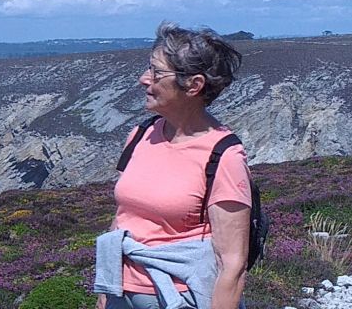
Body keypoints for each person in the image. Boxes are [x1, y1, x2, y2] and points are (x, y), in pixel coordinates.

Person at [93, 22, 250, 309]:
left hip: (178, 298)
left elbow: (233, 264)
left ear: (194, 85)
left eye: (156, 72)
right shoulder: (141, 134)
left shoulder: (223, 155)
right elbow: (123, 216)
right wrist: (106, 291)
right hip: (120, 292)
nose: (144, 79)